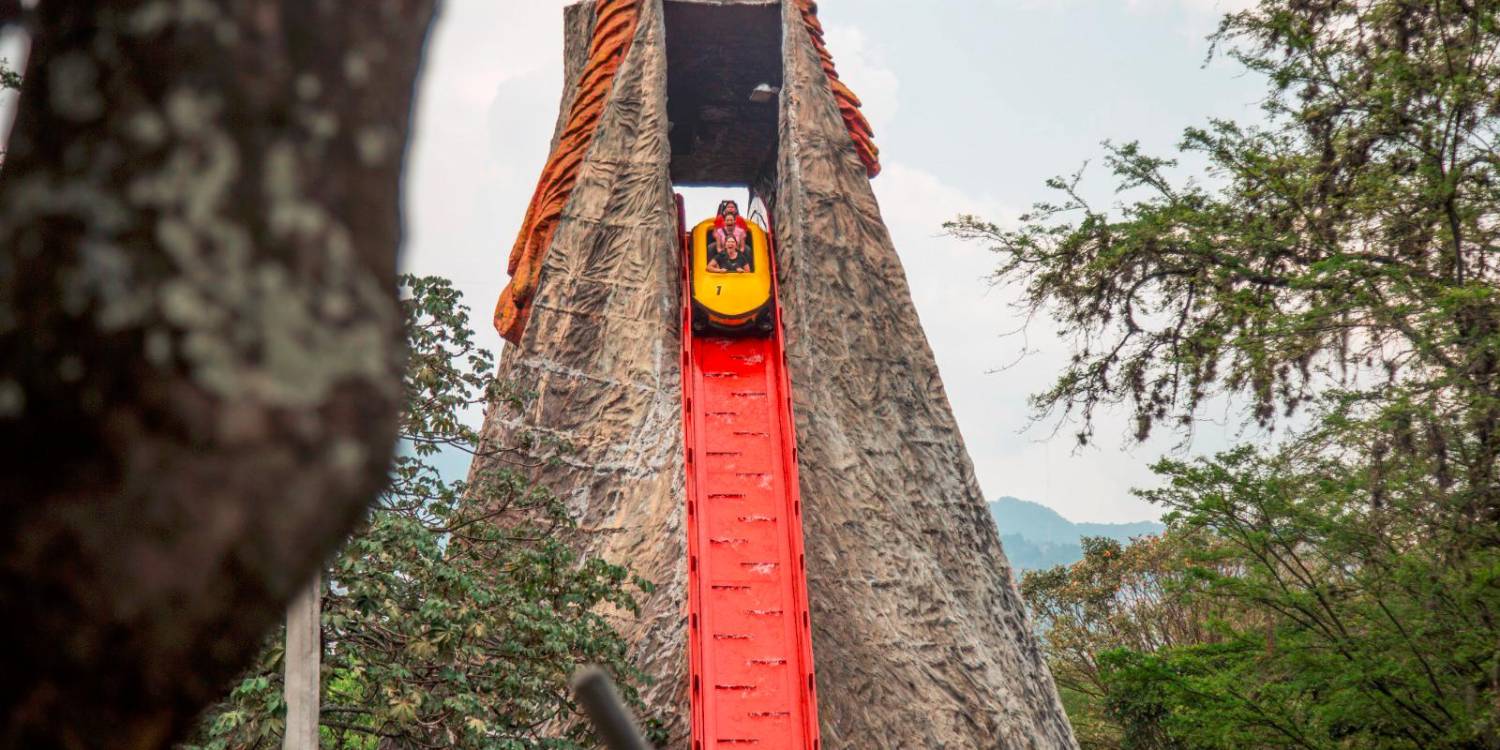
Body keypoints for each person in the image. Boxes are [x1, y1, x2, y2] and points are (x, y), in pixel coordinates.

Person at [707, 200, 753, 273]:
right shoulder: (719, 223)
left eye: (732, 207)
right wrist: (724, 253)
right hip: (723, 248)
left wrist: (737, 253)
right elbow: (715, 234)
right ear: (724, 221)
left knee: (748, 249)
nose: (730, 208)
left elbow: (743, 242)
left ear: (735, 221)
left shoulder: (740, 225)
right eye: (728, 207)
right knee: (711, 247)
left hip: (737, 249)